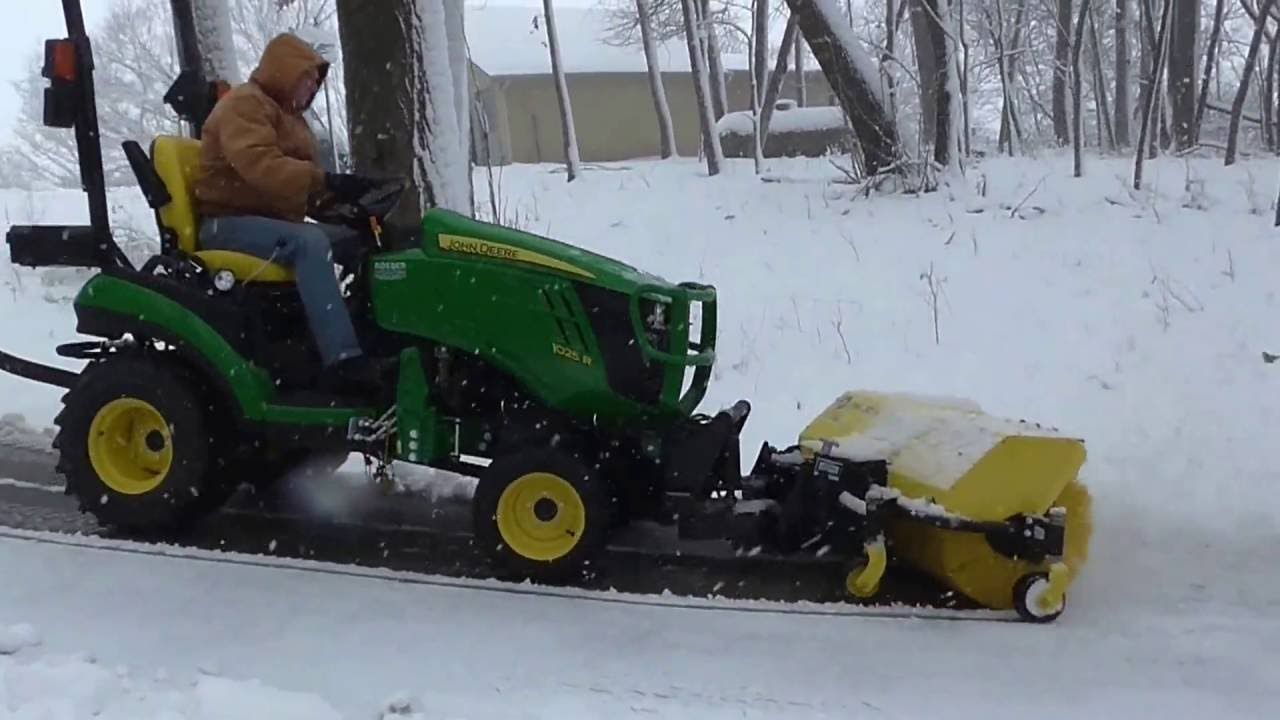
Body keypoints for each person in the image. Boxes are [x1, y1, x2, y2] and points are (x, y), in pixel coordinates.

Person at [193, 32, 385, 393]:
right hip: (226, 223)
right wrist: (323, 179)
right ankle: (344, 361)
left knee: (358, 240)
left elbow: (299, 189)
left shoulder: (291, 119)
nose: (311, 88)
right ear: (285, 71)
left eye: (315, 82)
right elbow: (261, 166)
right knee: (310, 243)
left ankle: (372, 340)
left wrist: (345, 202)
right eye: (307, 79)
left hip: (267, 222)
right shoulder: (244, 105)